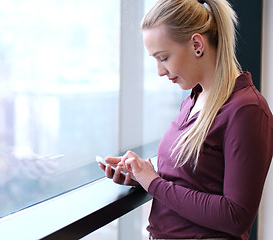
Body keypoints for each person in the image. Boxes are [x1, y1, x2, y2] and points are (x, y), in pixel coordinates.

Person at [99, 0, 273, 239]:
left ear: (197, 44)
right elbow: (192, 180)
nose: (160, 71)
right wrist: (140, 175)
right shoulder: (194, 98)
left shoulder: (247, 110)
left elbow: (235, 216)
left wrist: (154, 183)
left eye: (164, 57)